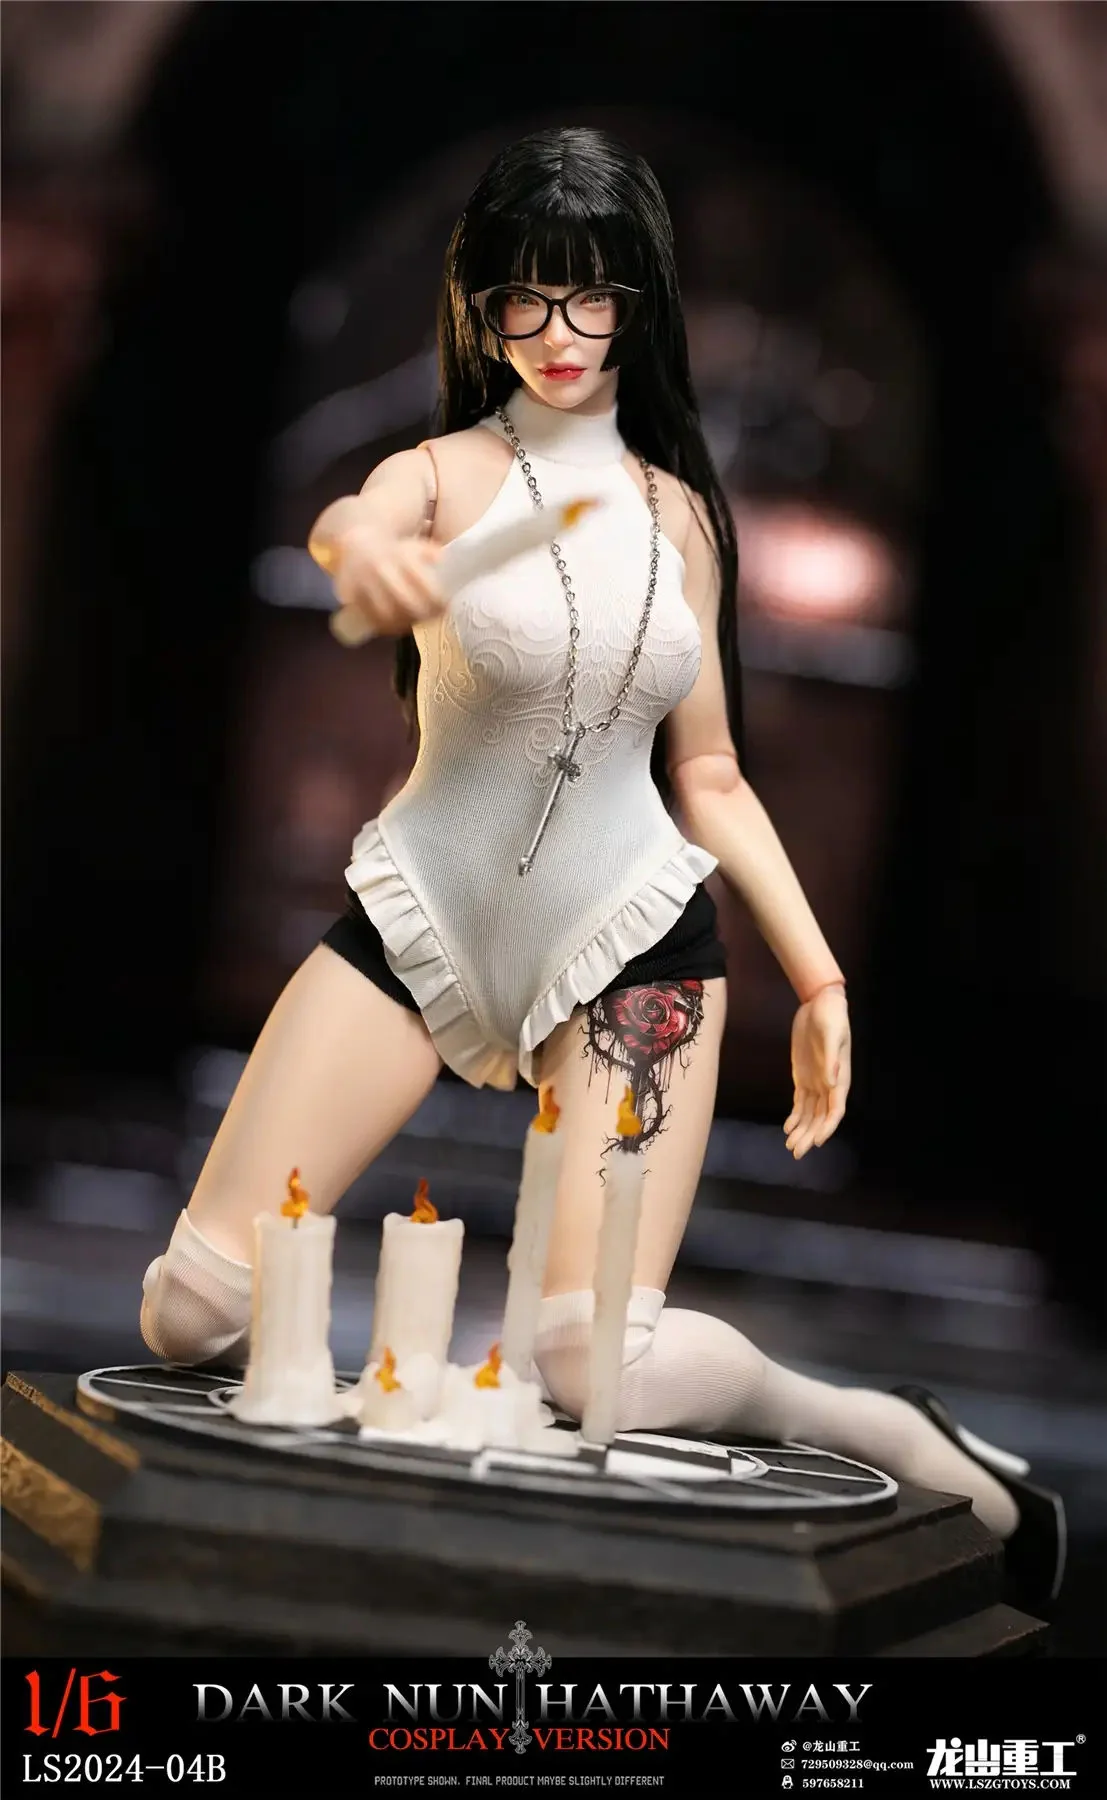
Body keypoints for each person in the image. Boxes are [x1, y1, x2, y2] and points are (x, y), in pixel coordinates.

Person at [140, 127, 1062, 1613]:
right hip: (427, 913)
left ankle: (873, 1428)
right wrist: (361, 558)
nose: (560, 333)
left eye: (594, 298)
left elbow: (711, 776)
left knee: (590, 1359)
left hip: (637, 942)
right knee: (192, 1310)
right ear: (483, 304)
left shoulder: (682, 516)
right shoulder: (436, 476)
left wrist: (819, 979)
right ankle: (358, 1425)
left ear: (639, 306)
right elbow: (353, 526)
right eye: (528, 295)